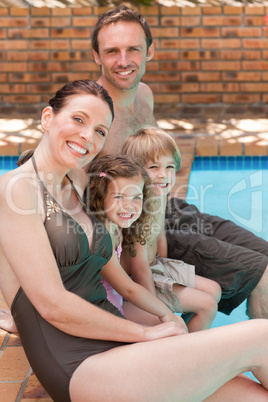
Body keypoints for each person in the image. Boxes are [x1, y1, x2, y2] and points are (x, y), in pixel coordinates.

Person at [2, 78, 268, 402]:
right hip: (80, 363)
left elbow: (119, 249)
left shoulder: (78, 179)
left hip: (120, 345)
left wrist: (165, 316)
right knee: (262, 337)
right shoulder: (17, 189)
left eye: (101, 130)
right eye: (78, 119)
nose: (89, 136)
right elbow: (53, 304)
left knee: (254, 395)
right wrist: (147, 332)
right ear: (47, 117)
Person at [90, 5, 268, 319]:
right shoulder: (92, 117)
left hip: (166, 210)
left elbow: (156, 160)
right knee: (261, 272)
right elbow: (54, 187)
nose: (123, 61)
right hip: (138, 229)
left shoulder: (143, 95)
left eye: (133, 49)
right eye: (112, 51)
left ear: (150, 51)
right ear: (96, 56)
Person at [121, 127, 221, 332]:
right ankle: (187, 350)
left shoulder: (158, 197)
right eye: (154, 166)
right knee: (207, 305)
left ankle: (188, 332)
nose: (163, 175)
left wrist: (166, 267)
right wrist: (154, 307)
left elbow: (159, 234)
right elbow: (137, 265)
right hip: (138, 278)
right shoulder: (137, 207)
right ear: (135, 170)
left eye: (169, 166)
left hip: (156, 266)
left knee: (214, 290)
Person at [85, 153, 186, 327]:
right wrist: (164, 312)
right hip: (102, 315)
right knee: (173, 325)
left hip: (116, 304)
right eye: (119, 197)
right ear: (100, 196)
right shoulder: (101, 237)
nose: (129, 206)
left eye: (136, 197)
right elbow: (128, 289)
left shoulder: (117, 228)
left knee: (177, 324)